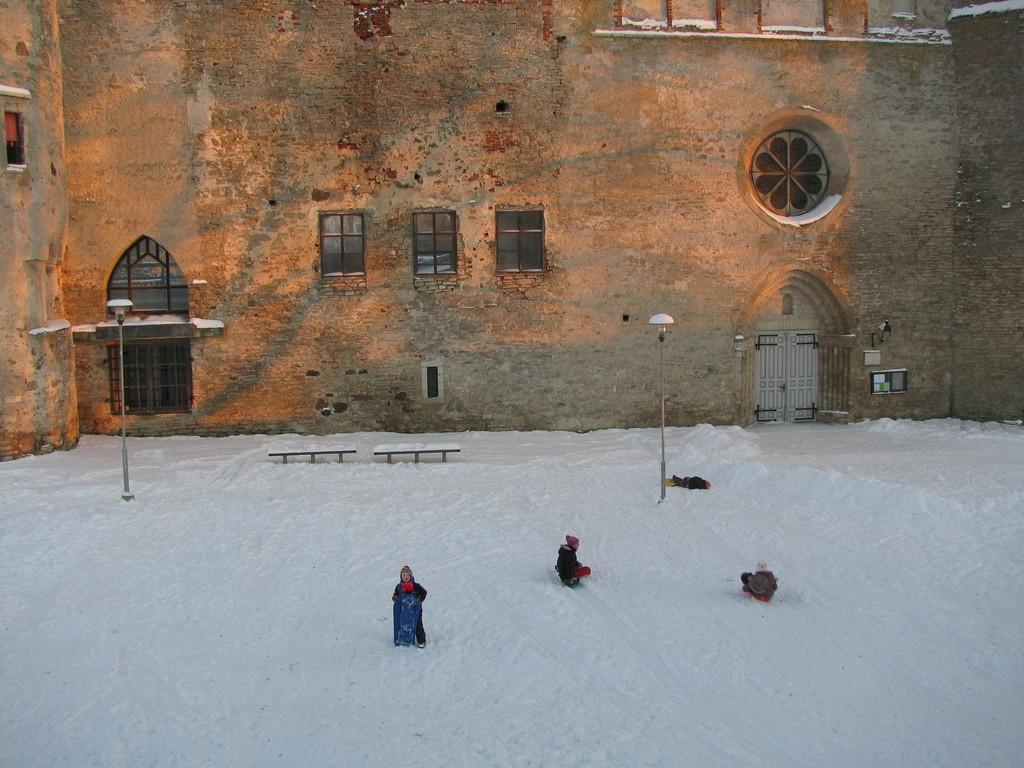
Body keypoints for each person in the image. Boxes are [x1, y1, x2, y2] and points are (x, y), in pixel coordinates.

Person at [392, 565, 428, 647]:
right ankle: (401, 639)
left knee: (417, 624)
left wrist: (420, 599)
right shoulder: (399, 587)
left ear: (410, 576)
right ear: (401, 576)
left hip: (416, 609)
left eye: (407, 575)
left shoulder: (416, 586)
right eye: (404, 575)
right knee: (402, 623)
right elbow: (396, 594)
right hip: (404, 609)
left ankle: (421, 641)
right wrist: (395, 597)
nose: (406, 577)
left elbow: (424, 592)